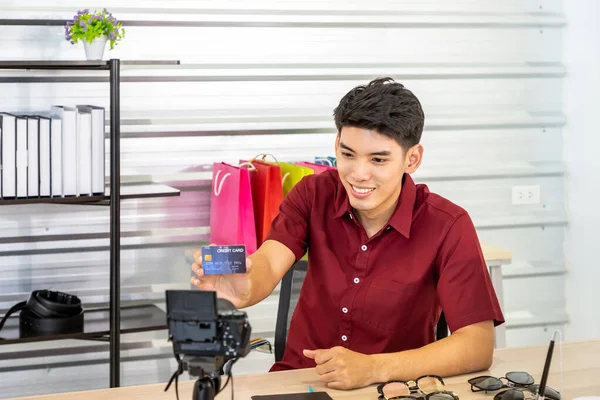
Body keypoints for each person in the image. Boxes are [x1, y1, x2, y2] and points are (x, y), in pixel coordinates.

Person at [191, 77, 504, 390]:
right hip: (301, 382)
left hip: (389, 389)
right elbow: (269, 263)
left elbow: (477, 345)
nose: (358, 174)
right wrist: (244, 289)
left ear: (412, 159)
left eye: (378, 159)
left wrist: (373, 367)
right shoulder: (312, 194)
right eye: (348, 154)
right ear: (336, 144)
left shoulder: (448, 224)